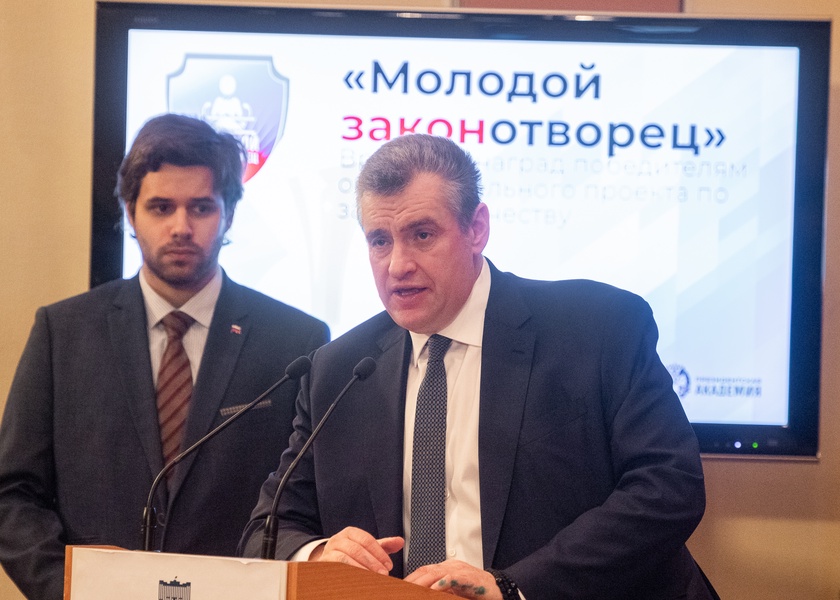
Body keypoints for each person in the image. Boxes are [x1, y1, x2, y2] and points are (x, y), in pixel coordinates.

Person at [240, 134, 717, 600]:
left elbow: (667, 487)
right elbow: (269, 527)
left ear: (477, 229)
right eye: (380, 241)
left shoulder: (597, 327)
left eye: (422, 235)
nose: (398, 265)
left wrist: (515, 586)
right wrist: (320, 553)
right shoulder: (339, 369)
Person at [0, 113, 329, 600]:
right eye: (160, 207)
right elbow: (13, 494)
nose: (181, 227)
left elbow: (307, 503)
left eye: (201, 207)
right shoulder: (63, 332)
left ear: (228, 214)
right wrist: (68, 589)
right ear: (130, 213)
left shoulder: (296, 341)